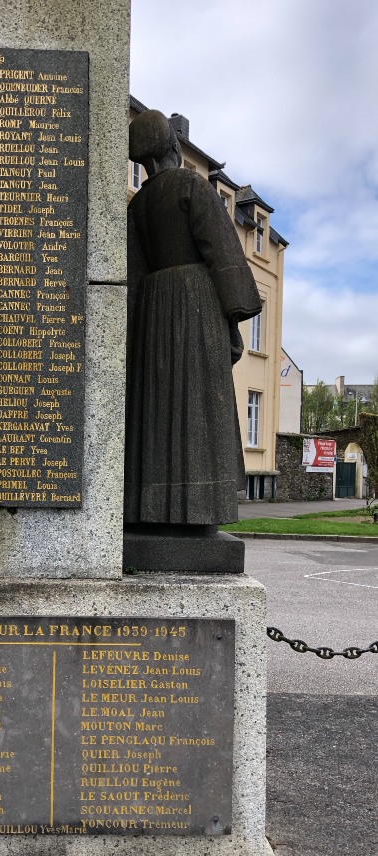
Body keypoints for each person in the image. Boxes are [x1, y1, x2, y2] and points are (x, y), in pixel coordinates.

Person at [124, 110, 262, 536]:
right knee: (201, 404)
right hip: (195, 303)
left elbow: (133, 274)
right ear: (173, 147)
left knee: (159, 411)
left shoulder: (139, 205)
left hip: (153, 312)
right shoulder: (190, 185)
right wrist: (233, 320)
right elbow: (222, 253)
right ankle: (200, 511)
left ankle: (151, 508)